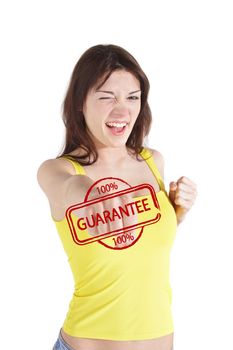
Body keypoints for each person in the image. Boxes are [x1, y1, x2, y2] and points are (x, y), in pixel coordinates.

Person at [37, 44, 197, 350]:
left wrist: (176, 214)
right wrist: (90, 193)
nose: (122, 111)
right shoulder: (59, 170)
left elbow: (139, 252)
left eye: (132, 98)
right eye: (107, 97)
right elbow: (66, 188)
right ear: (80, 103)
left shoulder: (153, 162)